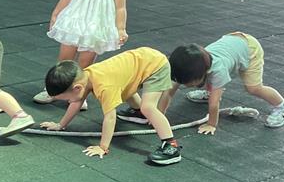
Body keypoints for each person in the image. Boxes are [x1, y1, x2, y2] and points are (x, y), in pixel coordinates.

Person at [39, 47, 182, 165]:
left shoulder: (104, 86)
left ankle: (171, 146)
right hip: (141, 62)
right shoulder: (85, 76)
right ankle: (139, 113)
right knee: (124, 90)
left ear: (77, 88)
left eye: (66, 98)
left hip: (155, 66)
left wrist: (103, 147)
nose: (68, 101)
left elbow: (110, 118)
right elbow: (76, 102)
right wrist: (60, 125)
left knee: (148, 107)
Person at [170, 33, 284, 132]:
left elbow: (214, 104)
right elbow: (169, 91)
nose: (185, 85)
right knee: (210, 81)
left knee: (253, 88)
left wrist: (211, 124)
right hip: (233, 41)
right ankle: (210, 92)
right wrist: (160, 113)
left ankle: (283, 106)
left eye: (189, 83)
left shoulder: (219, 71)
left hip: (250, 49)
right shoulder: (195, 63)